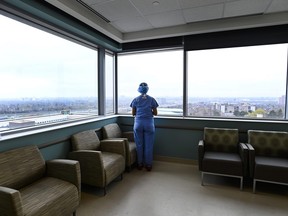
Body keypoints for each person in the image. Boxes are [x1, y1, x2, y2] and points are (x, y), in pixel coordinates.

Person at [130, 82, 159, 171]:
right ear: (147, 89)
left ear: (139, 89)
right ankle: (148, 165)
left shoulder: (135, 100)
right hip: (149, 124)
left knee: (139, 145)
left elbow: (133, 113)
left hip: (138, 124)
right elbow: (155, 113)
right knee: (149, 145)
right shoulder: (152, 99)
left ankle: (139, 164)